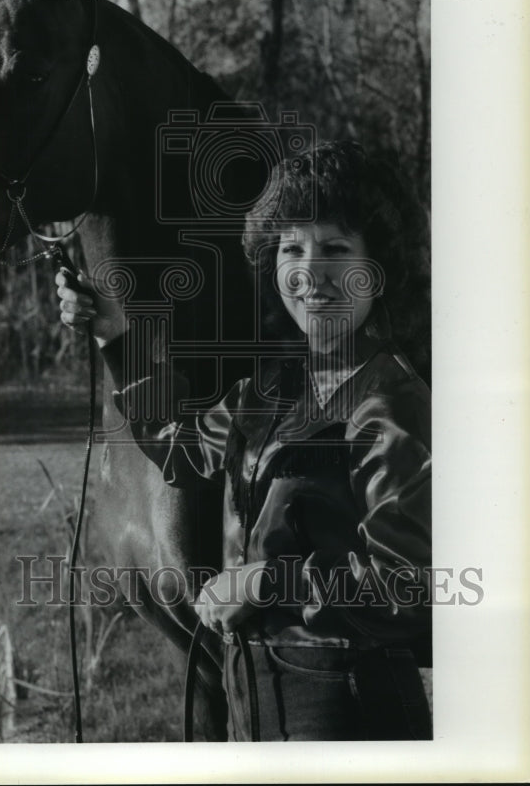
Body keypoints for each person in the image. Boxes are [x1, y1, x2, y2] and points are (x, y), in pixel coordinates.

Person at [56, 140, 432, 741]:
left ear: (379, 267)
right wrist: (113, 337)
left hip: (350, 716)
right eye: (291, 248)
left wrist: (264, 580)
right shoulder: (267, 392)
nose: (311, 275)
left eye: (336, 248)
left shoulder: (391, 406)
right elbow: (174, 450)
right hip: (253, 706)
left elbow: (407, 582)